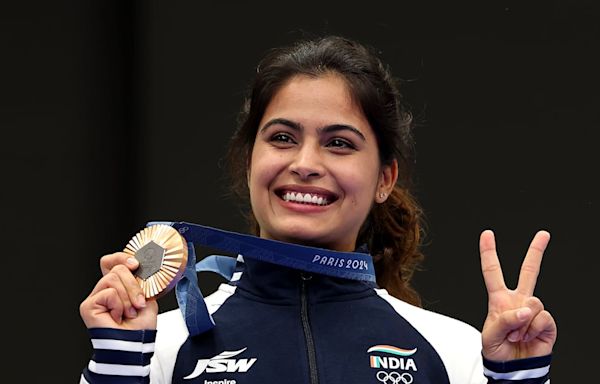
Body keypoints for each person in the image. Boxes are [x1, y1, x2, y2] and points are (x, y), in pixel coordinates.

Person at [79, 35, 556, 383]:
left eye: (339, 143)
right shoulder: (160, 345)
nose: (305, 164)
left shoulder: (456, 352)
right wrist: (120, 362)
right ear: (249, 162)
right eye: (283, 138)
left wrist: (519, 378)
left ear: (384, 180)